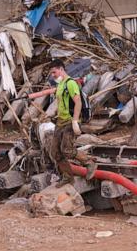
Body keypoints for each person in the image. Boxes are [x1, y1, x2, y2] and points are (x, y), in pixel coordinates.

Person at [49, 59, 97, 187]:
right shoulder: (60, 85)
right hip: (61, 121)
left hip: (70, 121)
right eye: (51, 73)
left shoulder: (71, 83)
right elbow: (61, 103)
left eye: (54, 72)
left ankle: (89, 162)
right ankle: (67, 177)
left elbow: (78, 102)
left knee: (67, 149)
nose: (53, 75)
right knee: (55, 152)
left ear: (61, 69)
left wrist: (75, 121)